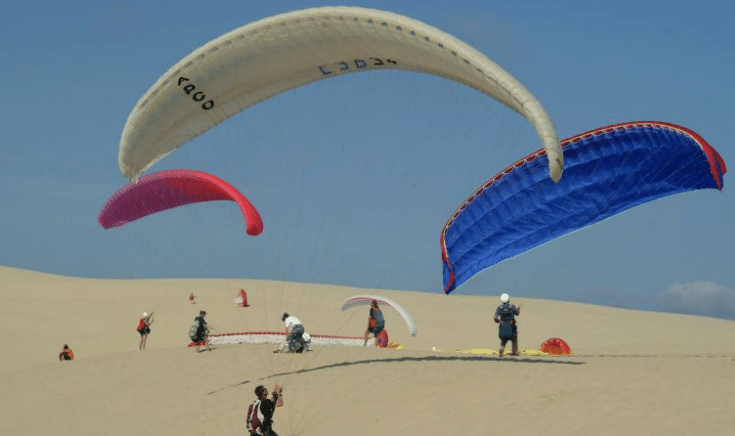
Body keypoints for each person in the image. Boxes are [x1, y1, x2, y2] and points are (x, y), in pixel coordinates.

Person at [494, 293, 521, 357]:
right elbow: (517, 313)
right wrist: (519, 309)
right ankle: (515, 351)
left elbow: (495, 317)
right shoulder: (512, 306)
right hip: (511, 325)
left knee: (504, 339)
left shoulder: (499, 308)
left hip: (503, 326)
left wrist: (499, 321)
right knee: (514, 338)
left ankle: (501, 349)